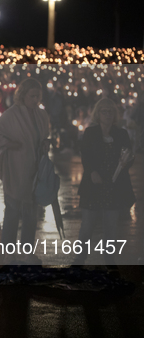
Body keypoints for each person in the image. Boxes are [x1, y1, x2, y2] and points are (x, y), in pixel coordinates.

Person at [0, 78, 50, 263]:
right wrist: (8, 144)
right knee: (13, 210)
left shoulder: (41, 115)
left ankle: (27, 251)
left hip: (35, 168)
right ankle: (9, 252)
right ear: (23, 95)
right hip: (16, 166)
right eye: (32, 95)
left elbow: (44, 135)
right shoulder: (12, 114)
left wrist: (46, 143)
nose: (36, 99)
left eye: (38, 96)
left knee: (31, 211)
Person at [74, 98, 135, 266]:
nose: (107, 114)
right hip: (93, 185)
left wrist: (126, 161)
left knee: (111, 226)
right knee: (87, 225)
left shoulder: (121, 134)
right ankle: (80, 259)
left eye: (110, 111)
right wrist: (92, 171)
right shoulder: (90, 133)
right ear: (98, 114)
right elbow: (85, 155)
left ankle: (109, 259)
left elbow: (129, 156)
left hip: (113, 186)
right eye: (104, 111)